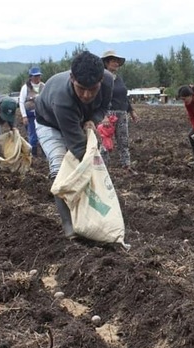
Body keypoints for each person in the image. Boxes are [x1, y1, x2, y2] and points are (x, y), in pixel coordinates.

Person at [34, 50, 114, 239]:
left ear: (101, 80)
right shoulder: (61, 98)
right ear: (72, 79)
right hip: (49, 122)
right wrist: (93, 169)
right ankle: (69, 225)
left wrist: (92, 119)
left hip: (78, 118)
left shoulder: (108, 80)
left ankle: (94, 213)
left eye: (92, 89)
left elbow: (103, 107)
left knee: (93, 161)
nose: (86, 95)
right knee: (61, 166)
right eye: (81, 88)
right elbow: (77, 147)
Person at [100, 50, 140, 175]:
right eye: (113, 61)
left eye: (117, 61)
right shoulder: (102, 79)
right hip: (108, 114)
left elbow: (124, 97)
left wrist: (131, 111)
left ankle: (126, 165)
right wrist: (104, 115)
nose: (116, 63)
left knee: (124, 141)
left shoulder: (119, 79)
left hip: (122, 113)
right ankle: (103, 169)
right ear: (106, 63)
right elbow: (99, 98)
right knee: (105, 142)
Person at [19, 66, 45, 157]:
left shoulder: (43, 86)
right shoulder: (25, 88)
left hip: (41, 115)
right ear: (31, 77)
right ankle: (33, 155)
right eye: (35, 76)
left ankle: (44, 154)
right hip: (30, 115)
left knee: (43, 134)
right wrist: (24, 116)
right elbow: (21, 102)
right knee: (33, 135)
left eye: (38, 76)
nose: (37, 78)